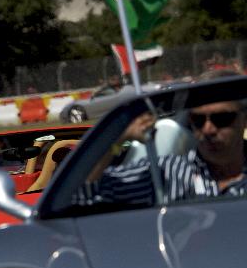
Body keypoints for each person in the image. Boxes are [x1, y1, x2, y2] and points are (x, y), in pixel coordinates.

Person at [79, 74, 247, 205]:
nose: (208, 129)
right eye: (198, 120)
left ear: (244, 120)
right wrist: (120, 137)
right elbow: (85, 191)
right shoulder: (166, 173)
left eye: (222, 118)